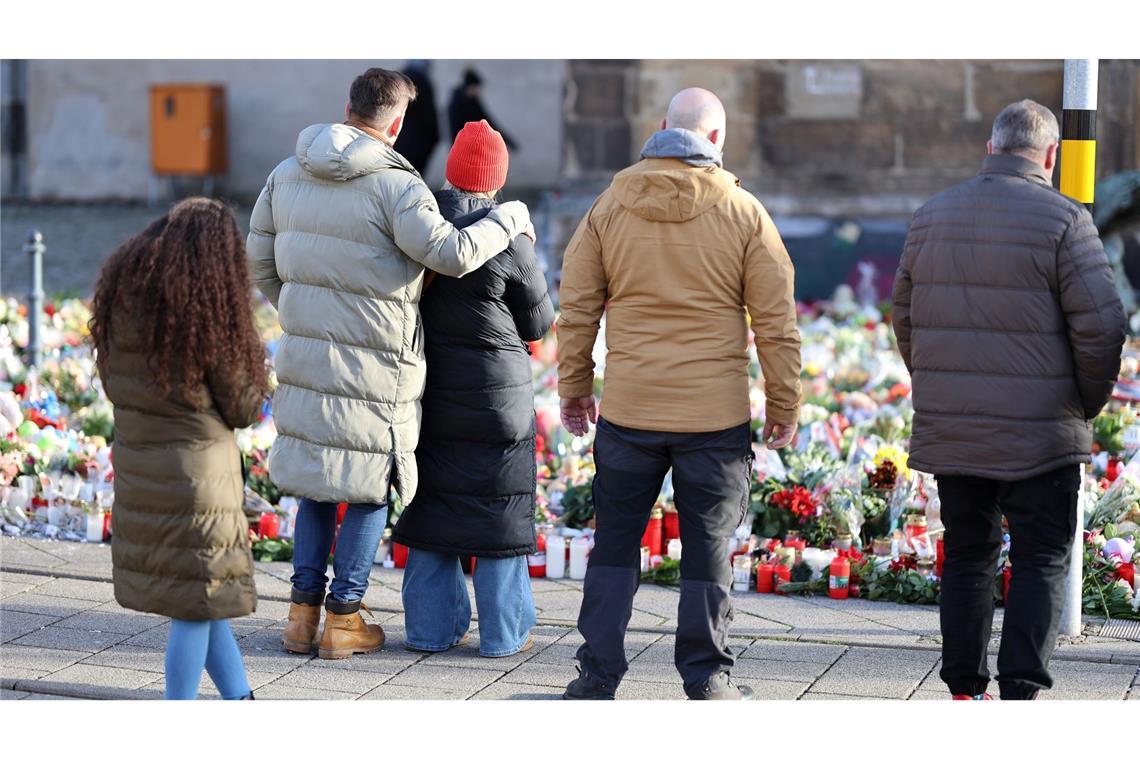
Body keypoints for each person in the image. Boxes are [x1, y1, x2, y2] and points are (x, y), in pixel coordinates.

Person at [248, 67, 534, 661]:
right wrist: (507, 220)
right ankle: (344, 617)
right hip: (376, 362)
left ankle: (301, 617)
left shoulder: (284, 173)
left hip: (308, 351)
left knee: (318, 484)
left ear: (345, 106)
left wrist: (305, 312)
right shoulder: (396, 186)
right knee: (369, 483)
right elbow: (452, 254)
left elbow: (261, 262)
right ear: (398, 124)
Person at [556, 88, 803, 700]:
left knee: (614, 542)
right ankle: (707, 675)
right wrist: (783, 405)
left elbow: (579, 305)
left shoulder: (610, 205)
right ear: (717, 141)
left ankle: (597, 674)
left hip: (630, 408)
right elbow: (776, 320)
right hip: (712, 416)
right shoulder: (745, 213)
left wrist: (575, 388)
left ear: (661, 128)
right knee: (708, 548)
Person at [892, 99, 1127, 700]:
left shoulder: (930, 216)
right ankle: (1021, 690)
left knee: (968, 555)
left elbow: (905, 317)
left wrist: (942, 385)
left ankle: (964, 691)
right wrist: (1084, 402)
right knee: (1042, 558)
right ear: (1051, 156)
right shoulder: (1065, 221)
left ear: (991, 148)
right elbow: (1103, 328)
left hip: (958, 430)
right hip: (1042, 434)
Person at [90, 197, 269, 700]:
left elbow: (114, 384)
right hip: (198, 484)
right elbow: (243, 406)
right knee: (197, 605)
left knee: (202, 599)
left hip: (143, 468)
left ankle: (241, 701)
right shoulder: (206, 314)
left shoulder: (123, 301)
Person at [392, 120, 555, 657]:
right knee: (499, 512)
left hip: (426, 392)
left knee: (432, 507)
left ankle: (430, 630)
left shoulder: (418, 223)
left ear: (450, 171)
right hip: (496, 400)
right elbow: (537, 323)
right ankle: (504, 633)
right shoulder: (508, 236)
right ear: (498, 178)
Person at [447, 68, 517, 149]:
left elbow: (489, 122)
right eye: (476, 88)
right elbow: (454, 131)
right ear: (470, 86)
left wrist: (507, 141)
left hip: (474, 147)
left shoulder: (474, 101)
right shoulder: (456, 104)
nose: (478, 91)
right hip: (461, 149)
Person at [393, 60, 440, 175]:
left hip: (397, 139)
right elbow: (429, 114)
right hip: (420, 141)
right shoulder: (424, 82)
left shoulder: (396, 82)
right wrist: (435, 136)